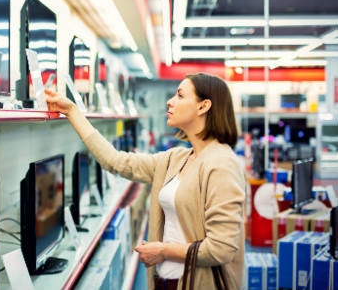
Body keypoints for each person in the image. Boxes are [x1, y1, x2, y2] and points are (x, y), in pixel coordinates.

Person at [45, 73, 246, 290]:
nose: (170, 101)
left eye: (180, 95)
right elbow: (116, 161)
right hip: (164, 281)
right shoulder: (175, 158)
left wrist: (162, 250)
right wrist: (72, 112)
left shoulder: (222, 164)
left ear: (203, 106)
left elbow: (221, 248)